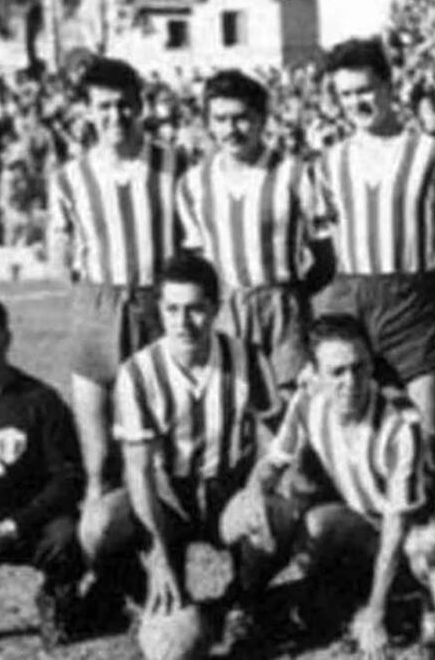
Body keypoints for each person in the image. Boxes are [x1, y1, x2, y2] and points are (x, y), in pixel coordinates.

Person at [227, 313, 435, 658]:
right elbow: (273, 462)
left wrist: (377, 614)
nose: (350, 381)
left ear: (372, 365)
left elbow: (397, 526)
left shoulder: (401, 424)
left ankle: (428, 608)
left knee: (426, 547)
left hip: (405, 534)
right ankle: (245, 605)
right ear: (315, 374)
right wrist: (254, 495)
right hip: (360, 522)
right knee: (296, 520)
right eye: (336, 372)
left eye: (359, 367)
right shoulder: (307, 400)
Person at [77, 254, 283, 649]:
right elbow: (137, 472)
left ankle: (241, 601)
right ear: (160, 310)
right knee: (98, 525)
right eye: (172, 310)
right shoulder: (138, 372)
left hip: (225, 493)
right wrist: (158, 559)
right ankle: (151, 595)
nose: (183, 322)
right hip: (166, 498)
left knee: (277, 515)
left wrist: (258, 486)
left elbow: (277, 441)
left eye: (195, 310)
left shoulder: (248, 358)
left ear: (215, 309)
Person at [45, 58, 185, 600]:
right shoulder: (71, 176)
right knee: (99, 460)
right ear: (87, 111)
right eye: (103, 106)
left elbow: (192, 243)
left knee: (159, 455)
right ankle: (103, 577)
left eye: (124, 104)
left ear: (141, 105)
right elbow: (60, 253)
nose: (116, 115)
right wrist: (91, 300)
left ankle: (168, 575)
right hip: (99, 308)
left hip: (157, 307)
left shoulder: (173, 165)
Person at [314, 37, 435, 493]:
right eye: (346, 94)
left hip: (413, 302)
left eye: (365, 89)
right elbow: (329, 244)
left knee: (428, 442)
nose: (358, 101)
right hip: (354, 302)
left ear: (388, 85)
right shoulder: (330, 161)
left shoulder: (432, 152)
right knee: (361, 435)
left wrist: (423, 291)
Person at [177, 69, 330, 392]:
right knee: (230, 411)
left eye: (241, 118)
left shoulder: (294, 174)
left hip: (283, 308)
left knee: (290, 412)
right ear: (207, 123)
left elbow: (325, 256)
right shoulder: (193, 184)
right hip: (225, 308)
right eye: (220, 119)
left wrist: (291, 297)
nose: (230, 130)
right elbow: (196, 258)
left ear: (262, 119)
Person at [0, 295, 85, 647]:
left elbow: (69, 478)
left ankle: (57, 599)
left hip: (26, 516)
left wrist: (12, 527)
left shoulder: (41, 400)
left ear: (6, 337)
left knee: (67, 535)